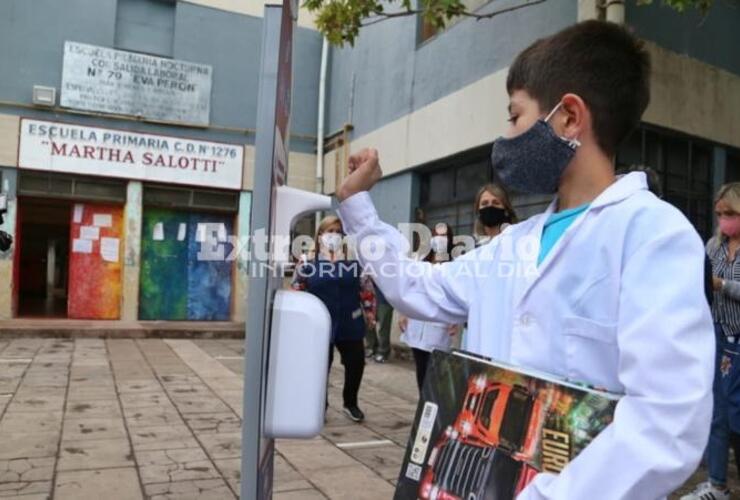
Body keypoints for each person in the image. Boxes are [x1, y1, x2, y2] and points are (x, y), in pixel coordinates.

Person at [334, 20, 713, 499]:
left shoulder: (652, 235)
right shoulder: (514, 244)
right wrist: (356, 205)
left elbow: (666, 423)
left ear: (569, 117)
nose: (506, 134)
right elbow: (417, 286)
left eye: (515, 116)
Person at [683, 183, 740, 500]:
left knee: (736, 416)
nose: (724, 220)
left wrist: (722, 285)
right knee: (716, 411)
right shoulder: (713, 247)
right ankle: (717, 483)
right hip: (716, 336)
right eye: (720, 214)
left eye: (730, 213)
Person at [292, 215, 376, 422]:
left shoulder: (353, 261)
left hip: (350, 321)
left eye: (338, 232)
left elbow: (366, 288)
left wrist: (370, 312)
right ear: (320, 235)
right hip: (319, 323)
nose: (334, 235)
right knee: (320, 366)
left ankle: (350, 403)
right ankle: (320, 405)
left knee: (356, 363)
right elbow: (297, 288)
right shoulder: (307, 261)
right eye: (330, 231)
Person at [399, 222, 460, 391]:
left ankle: (434, 408)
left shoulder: (455, 264)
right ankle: (423, 405)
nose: (439, 240)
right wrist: (403, 312)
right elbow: (409, 288)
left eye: (444, 236)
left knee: (435, 371)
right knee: (421, 367)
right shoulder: (420, 260)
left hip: (440, 324)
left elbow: (457, 295)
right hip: (416, 321)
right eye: (436, 235)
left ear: (449, 240)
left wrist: (455, 320)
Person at [365, 283, 393, 363]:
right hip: (369, 295)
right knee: (368, 322)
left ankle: (383, 351)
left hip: (385, 297)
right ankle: (371, 346)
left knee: (384, 324)